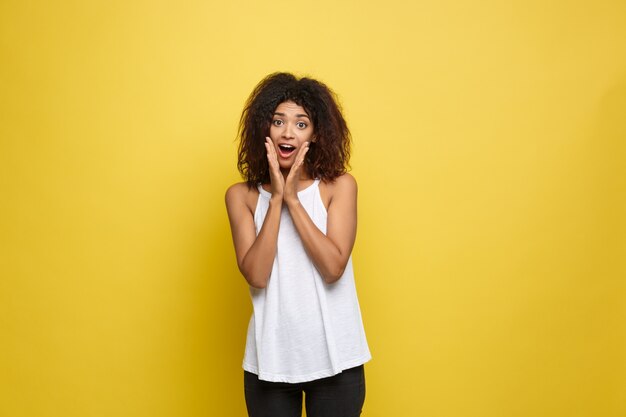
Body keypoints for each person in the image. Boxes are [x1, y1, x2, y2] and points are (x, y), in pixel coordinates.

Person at [225, 72, 371, 417]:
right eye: (278, 121)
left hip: (338, 360)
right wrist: (276, 199)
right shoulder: (241, 197)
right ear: (265, 129)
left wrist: (293, 197)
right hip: (270, 361)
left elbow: (333, 268)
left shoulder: (339, 187)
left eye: (301, 123)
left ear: (317, 133)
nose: (288, 132)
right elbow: (257, 276)